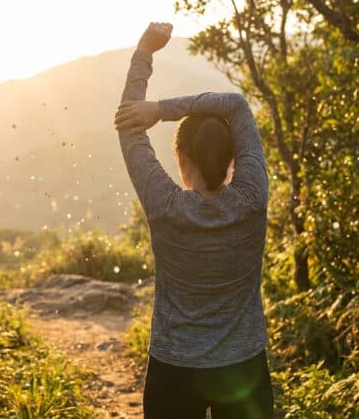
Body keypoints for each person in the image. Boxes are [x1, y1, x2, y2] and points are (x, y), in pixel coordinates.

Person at [113, 22, 274, 419]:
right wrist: (165, 110)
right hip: (243, 368)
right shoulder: (252, 199)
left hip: (174, 369)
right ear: (233, 159)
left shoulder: (166, 206)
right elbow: (236, 105)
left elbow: (128, 129)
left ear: (182, 161)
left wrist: (144, 51)